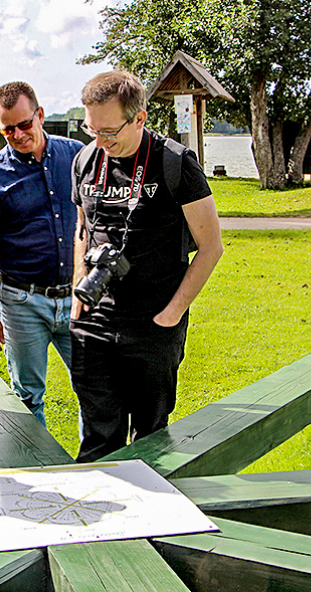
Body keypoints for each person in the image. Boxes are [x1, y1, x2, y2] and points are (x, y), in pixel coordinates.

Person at [71, 70, 223, 463]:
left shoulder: (175, 163)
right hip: (94, 321)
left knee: (149, 440)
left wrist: (172, 314)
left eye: (109, 131)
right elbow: (82, 231)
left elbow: (211, 248)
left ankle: (150, 521)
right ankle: (94, 518)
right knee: (97, 436)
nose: (100, 141)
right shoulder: (86, 161)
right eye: (92, 130)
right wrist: (77, 294)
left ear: (139, 118)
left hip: (154, 324)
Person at [0, 82, 84, 426]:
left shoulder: (77, 156)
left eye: (24, 125)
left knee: (96, 390)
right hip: (22, 303)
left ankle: (96, 472)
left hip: (79, 298)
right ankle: (34, 476)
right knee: (28, 397)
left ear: (40, 115)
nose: (17, 135)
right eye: (7, 129)